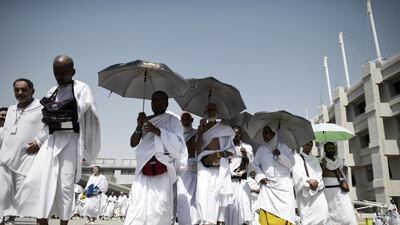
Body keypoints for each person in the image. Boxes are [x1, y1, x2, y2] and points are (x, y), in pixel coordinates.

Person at [16, 55, 101, 225]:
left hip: (71, 141)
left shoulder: (82, 89)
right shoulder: (51, 91)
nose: (60, 77)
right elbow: (45, 122)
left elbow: (83, 112)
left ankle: (63, 222)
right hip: (52, 141)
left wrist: (59, 109)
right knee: (39, 180)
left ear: (73, 72)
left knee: (65, 186)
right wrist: (39, 141)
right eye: (56, 73)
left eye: (64, 73)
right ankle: (42, 221)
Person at [124, 90, 187, 225]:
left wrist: (157, 131)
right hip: (143, 168)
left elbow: (178, 145)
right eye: (154, 100)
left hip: (162, 168)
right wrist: (138, 127)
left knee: (160, 207)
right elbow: (133, 143)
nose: (157, 102)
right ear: (151, 103)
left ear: (167, 103)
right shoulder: (145, 120)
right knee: (138, 205)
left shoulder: (173, 120)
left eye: (161, 100)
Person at [0, 79, 47, 224]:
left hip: (28, 159)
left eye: (24, 90)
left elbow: (50, 127)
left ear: (32, 91)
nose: (20, 93)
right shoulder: (12, 109)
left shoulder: (42, 107)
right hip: (6, 158)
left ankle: (42, 221)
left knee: (32, 195)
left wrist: (40, 141)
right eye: (16, 90)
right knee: (2, 193)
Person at [195, 102, 235, 225]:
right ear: (205, 113)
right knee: (203, 195)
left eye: (214, 109)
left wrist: (217, 155)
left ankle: (216, 222)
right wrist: (201, 132)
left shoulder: (225, 129)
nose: (211, 112)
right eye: (209, 109)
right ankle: (204, 221)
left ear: (217, 112)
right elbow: (197, 149)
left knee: (216, 195)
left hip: (219, 166)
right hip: (203, 166)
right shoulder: (201, 129)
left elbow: (232, 151)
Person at [253, 126, 296, 225]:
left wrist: (280, 155)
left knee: (286, 215)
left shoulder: (284, 147)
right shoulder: (261, 150)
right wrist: (261, 177)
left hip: (284, 187)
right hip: (268, 188)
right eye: (263, 133)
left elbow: (291, 164)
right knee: (267, 214)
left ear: (273, 134)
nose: (264, 135)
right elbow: (255, 166)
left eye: (267, 133)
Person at [321, 142, 357, 225]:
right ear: (325, 149)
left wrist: (345, 170)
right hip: (328, 191)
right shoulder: (321, 160)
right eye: (329, 148)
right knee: (330, 215)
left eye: (333, 148)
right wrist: (323, 166)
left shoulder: (340, 160)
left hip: (341, 190)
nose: (331, 150)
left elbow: (343, 173)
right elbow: (318, 174)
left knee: (348, 215)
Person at [292, 141, 328, 225]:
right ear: (303, 145)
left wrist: (316, 182)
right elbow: (296, 173)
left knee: (323, 214)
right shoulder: (296, 157)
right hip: (304, 191)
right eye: (307, 144)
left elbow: (319, 172)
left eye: (311, 145)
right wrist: (308, 181)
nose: (309, 146)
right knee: (307, 219)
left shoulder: (315, 159)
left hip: (317, 189)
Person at [225, 125, 253, 225]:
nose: (235, 136)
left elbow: (250, 170)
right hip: (229, 183)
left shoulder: (247, 147)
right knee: (230, 212)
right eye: (233, 134)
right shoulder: (226, 147)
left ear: (240, 135)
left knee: (244, 212)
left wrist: (245, 156)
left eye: (237, 134)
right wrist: (226, 160)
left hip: (241, 183)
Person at [176, 112, 199, 225]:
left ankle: (194, 222)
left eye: (187, 119)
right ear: (180, 121)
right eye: (183, 119)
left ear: (192, 120)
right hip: (181, 170)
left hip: (195, 168)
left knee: (195, 199)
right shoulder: (178, 134)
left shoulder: (197, 133)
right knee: (183, 198)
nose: (185, 121)